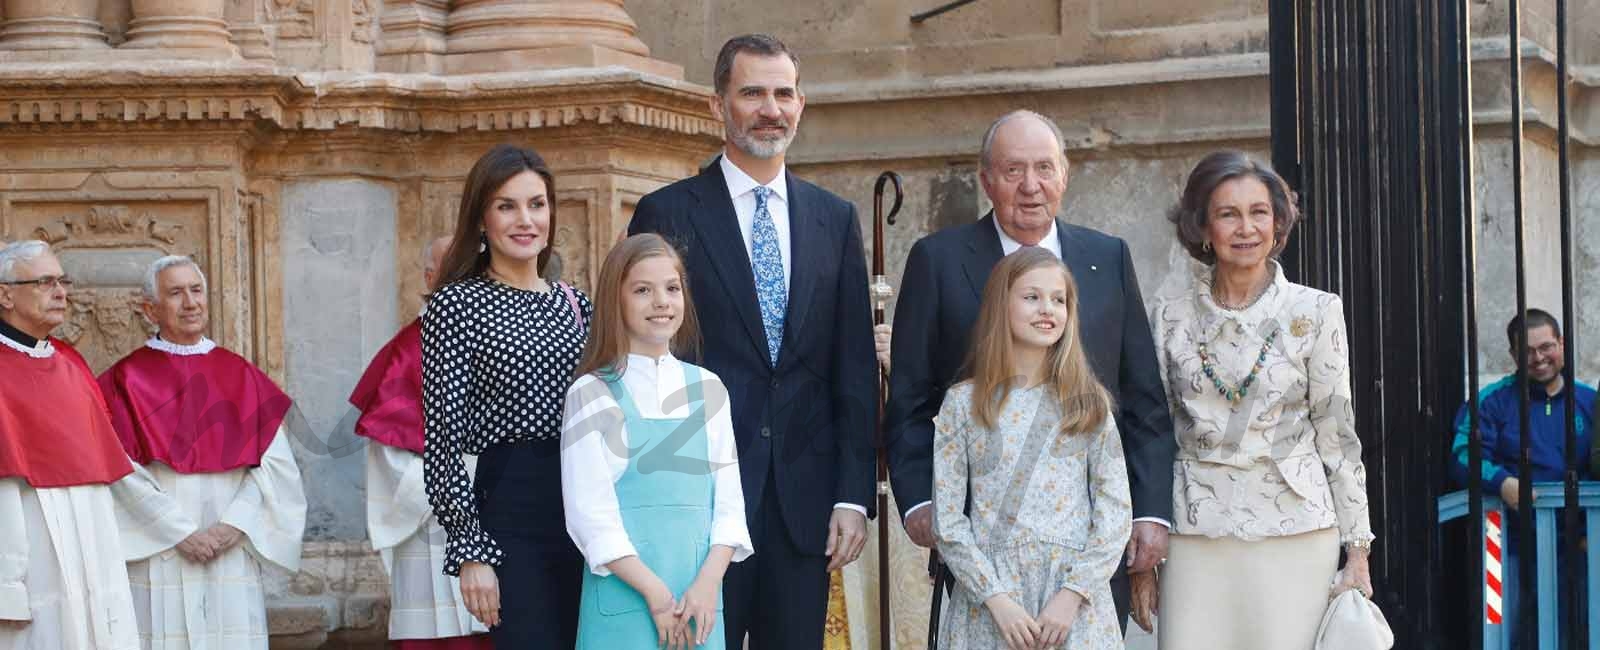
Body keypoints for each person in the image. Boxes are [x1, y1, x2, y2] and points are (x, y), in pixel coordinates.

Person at [627, 33, 876, 650]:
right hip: (696, 495)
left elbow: (852, 364)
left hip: (804, 502)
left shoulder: (834, 218)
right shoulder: (667, 212)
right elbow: (644, 358)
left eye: (784, 93)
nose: (772, 108)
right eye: (753, 93)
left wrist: (854, 493)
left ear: (801, 105)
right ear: (718, 106)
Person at [884, 109, 1176, 629]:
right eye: (1013, 170)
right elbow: (908, 397)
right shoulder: (938, 260)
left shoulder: (1107, 257)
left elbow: (1143, 398)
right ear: (986, 180)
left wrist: (1149, 512)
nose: (1031, 185)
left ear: (1064, 174)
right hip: (981, 549)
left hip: (1087, 550)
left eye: (1045, 168)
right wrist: (919, 502)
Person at [1143, 150, 1375, 649]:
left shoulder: (1316, 311)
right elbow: (1150, 433)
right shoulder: (1169, 314)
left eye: (1259, 212)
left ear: (1278, 223)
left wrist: (1357, 548)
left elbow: (1337, 433)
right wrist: (1143, 549)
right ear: (1203, 227)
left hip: (1296, 528)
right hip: (1193, 530)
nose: (1245, 227)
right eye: (1228, 213)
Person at [422, 143, 592, 648]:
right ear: (481, 218)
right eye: (507, 205)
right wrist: (472, 550)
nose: (525, 220)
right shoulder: (456, 305)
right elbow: (443, 440)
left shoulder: (576, 304)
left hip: (589, 503)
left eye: (537, 204)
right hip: (512, 506)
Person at [97, 255, 306, 650]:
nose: (190, 303)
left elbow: (275, 465)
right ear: (150, 308)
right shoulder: (125, 379)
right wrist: (179, 532)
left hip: (229, 549)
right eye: (175, 293)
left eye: (196, 290)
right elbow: (117, 470)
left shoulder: (239, 373)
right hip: (159, 547)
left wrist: (233, 527)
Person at [560, 234, 754, 650]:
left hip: (698, 603)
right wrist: (655, 594)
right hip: (626, 600)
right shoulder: (592, 393)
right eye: (643, 290)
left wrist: (707, 584)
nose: (661, 301)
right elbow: (590, 516)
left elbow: (730, 506)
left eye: (671, 288)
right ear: (617, 300)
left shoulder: (709, 388)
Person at [933, 248, 1131, 650]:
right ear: (1000, 305)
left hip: (1071, 606)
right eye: (1031, 297)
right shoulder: (963, 404)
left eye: (1059, 299)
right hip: (992, 605)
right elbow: (948, 520)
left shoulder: (1087, 404)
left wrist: (1073, 593)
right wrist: (995, 599)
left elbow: (1115, 510)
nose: (1048, 309)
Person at [351, 236, 492, 649]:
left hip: (501, 517)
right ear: (429, 278)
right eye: (451, 265)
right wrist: (462, 485)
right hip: (429, 526)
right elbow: (388, 456)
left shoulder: (507, 339)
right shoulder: (405, 353)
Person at [0, 240, 140, 650]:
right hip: (33, 556)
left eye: (63, 281)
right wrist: (6, 585)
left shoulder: (71, 369)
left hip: (92, 553)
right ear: (5, 294)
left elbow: (102, 477)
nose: (61, 292)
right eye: (45, 282)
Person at [1448, 309, 1593, 644]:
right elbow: (1461, 455)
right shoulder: (1492, 402)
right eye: (1527, 351)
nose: (1538, 358)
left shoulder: (1589, 401)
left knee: (1580, 632)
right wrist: (1502, 482)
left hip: (1577, 545)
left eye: (1546, 347)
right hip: (1504, 545)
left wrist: (1587, 533)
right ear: (1513, 355)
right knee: (1501, 631)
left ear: (1562, 344)